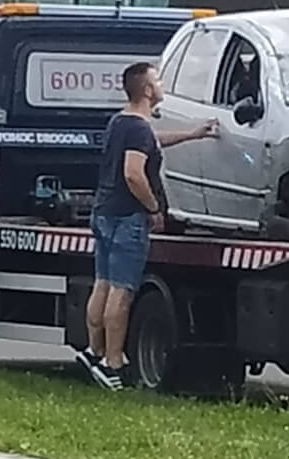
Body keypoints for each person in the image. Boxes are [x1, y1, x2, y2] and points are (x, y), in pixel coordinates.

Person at [78, 61, 216, 390]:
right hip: (128, 218)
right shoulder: (138, 129)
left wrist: (193, 134)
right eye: (158, 80)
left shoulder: (122, 122)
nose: (162, 84)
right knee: (122, 293)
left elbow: (153, 141)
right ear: (147, 90)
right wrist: (153, 207)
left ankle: (93, 352)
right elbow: (133, 172)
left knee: (103, 284)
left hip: (104, 212)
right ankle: (113, 364)